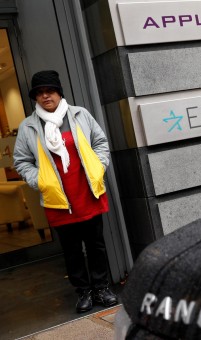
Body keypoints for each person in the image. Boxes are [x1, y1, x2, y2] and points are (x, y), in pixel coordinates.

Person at [13, 70, 118, 313]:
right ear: (36, 98)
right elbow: (21, 161)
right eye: (39, 93)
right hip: (58, 200)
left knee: (96, 245)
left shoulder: (80, 115)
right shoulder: (28, 126)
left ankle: (101, 287)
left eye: (49, 90)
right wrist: (40, 181)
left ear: (59, 92)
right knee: (72, 250)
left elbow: (100, 143)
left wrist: (98, 167)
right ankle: (83, 292)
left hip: (88, 193)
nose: (45, 96)